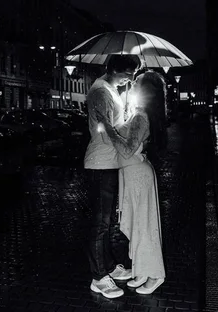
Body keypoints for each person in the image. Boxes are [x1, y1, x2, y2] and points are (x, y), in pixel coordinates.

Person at [95, 70, 167, 295]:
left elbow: (126, 150)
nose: (131, 84)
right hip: (133, 174)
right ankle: (143, 270)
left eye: (136, 82)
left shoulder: (141, 116)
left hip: (136, 175)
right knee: (138, 227)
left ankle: (156, 274)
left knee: (144, 228)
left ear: (144, 90)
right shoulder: (139, 114)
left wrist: (107, 127)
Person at [85, 54, 141, 299]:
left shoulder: (110, 90)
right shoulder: (100, 92)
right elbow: (106, 132)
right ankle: (98, 277)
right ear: (115, 69)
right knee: (99, 223)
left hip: (109, 161)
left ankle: (108, 267)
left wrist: (127, 116)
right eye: (129, 73)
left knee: (106, 222)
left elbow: (115, 124)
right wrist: (130, 132)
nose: (131, 79)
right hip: (101, 163)